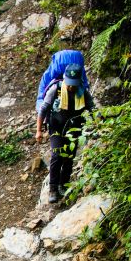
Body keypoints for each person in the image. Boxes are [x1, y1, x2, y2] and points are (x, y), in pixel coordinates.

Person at [36, 64, 95, 204]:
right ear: (64, 79)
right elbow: (43, 109)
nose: (71, 87)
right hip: (56, 125)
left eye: (74, 84)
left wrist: (99, 122)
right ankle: (53, 188)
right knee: (57, 154)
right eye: (69, 84)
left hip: (74, 127)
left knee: (69, 156)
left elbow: (92, 108)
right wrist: (38, 130)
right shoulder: (55, 89)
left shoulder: (83, 92)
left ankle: (64, 184)